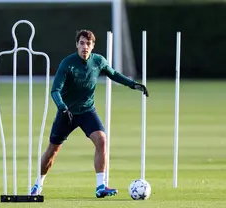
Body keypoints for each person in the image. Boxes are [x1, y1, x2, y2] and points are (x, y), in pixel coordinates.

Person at [30, 29, 149, 198]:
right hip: (67, 113)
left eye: (88, 44)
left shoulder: (98, 61)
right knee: (52, 151)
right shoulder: (68, 63)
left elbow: (113, 74)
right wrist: (62, 107)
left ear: (93, 46)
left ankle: (101, 186)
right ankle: (37, 185)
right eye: (82, 43)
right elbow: (55, 90)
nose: (85, 47)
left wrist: (133, 84)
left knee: (102, 139)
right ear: (77, 45)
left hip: (87, 111)